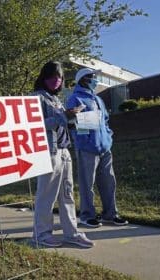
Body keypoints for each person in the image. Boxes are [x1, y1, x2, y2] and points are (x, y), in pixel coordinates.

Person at [30, 61, 94, 248]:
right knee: (46, 195)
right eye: (52, 76)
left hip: (64, 150)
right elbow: (36, 126)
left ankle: (71, 232)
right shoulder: (36, 98)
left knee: (67, 194)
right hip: (48, 151)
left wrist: (74, 119)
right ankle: (41, 234)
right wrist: (64, 116)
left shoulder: (56, 99)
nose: (56, 81)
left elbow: (61, 122)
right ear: (44, 77)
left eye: (60, 77)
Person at [66, 68, 128, 227]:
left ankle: (110, 214)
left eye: (95, 77)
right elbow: (74, 125)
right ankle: (87, 215)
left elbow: (105, 120)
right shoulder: (75, 98)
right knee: (87, 184)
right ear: (83, 79)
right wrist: (85, 141)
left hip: (105, 147)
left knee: (109, 182)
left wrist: (108, 136)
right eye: (92, 77)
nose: (95, 80)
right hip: (87, 148)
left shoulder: (98, 99)